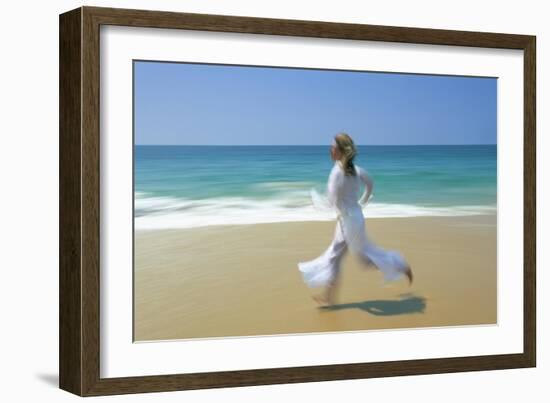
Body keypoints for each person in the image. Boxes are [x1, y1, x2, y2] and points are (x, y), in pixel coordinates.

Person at [297, 132, 413, 306]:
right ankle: (328, 297)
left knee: (365, 260)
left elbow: (330, 202)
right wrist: (361, 202)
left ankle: (400, 265)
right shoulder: (356, 170)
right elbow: (370, 184)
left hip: (349, 223)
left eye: (333, 147)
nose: (330, 149)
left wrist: (314, 202)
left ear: (340, 151)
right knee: (334, 257)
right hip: (350, 219)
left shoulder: (336, 173)